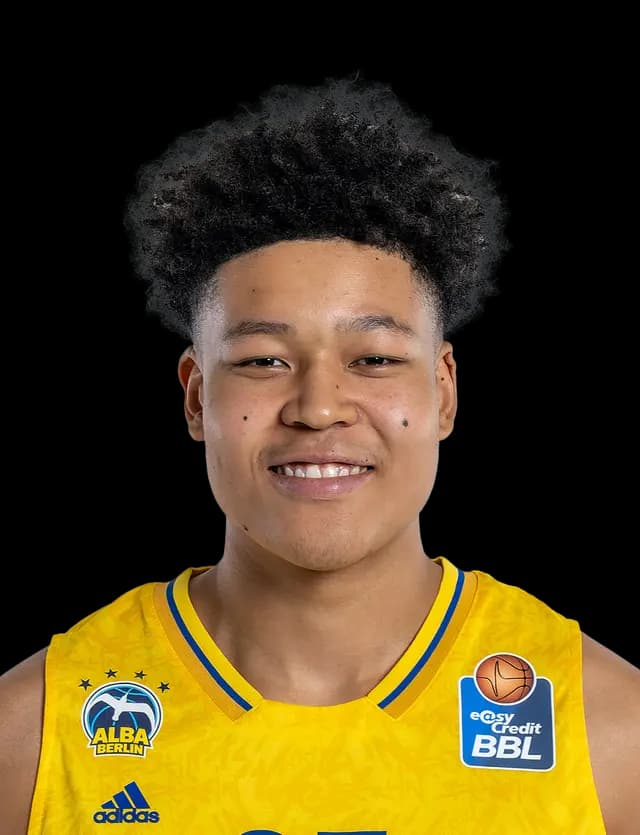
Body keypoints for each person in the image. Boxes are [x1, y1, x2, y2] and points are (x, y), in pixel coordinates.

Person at [1, 73, 638, 835]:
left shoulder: (608, 727)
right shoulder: (32, 732)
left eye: (374, 359)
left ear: (443, 392)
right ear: (196, 397)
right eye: (263, 360)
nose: (319, 406)